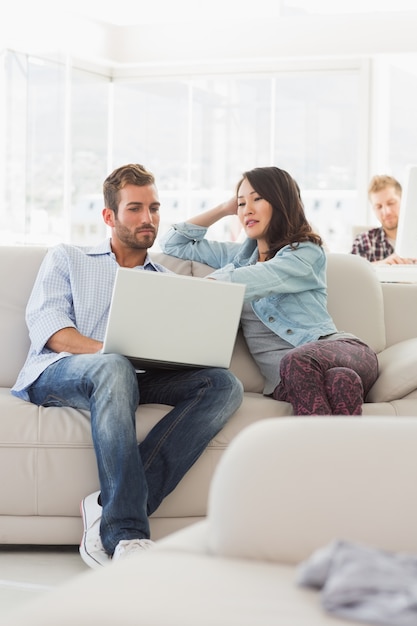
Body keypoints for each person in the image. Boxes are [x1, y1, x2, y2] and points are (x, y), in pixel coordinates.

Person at [11, 163, 243, 568]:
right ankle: (126, 534)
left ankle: (110, 504)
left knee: (223, 385)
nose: (148, 218)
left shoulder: (165, 280)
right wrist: (111, 351)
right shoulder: (68, 258)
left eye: (154, 208)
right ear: (109, 216)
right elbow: (52, 332)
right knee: (114, 365)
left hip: (133, 376)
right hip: (58, 372)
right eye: (135, 208)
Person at [160, 166, 378, 417]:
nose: (247, 210)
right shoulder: (236, 257)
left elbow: (265, 276)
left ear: (279, 201)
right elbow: (172, 242)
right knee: (341, 380)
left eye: (257, 198)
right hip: (285, 382)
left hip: (344, 351)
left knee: (300, 361)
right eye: (242, 203)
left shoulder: (305, 252)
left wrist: (211, 284)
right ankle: (344, 454)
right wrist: (224, 208)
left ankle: (315, 454)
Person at [351, 174, 416, 264]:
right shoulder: (363, 242)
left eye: (391, 203)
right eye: (379, 206)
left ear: (404, 200)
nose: (386, 212)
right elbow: (352, 273)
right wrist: (382, 265)